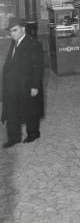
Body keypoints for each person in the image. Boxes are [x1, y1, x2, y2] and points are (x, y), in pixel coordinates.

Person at [1, 18, 44, 148]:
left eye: (15, 30)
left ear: (23, 29)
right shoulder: (14, 43)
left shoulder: (33, 44)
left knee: (30, 110)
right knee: (12, 110)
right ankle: (13, 138)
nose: (12, 34)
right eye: (10, 31)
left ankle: (33, 134)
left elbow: (38, 67)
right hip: (13, 85)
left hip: (27, 84)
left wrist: (35, 86)